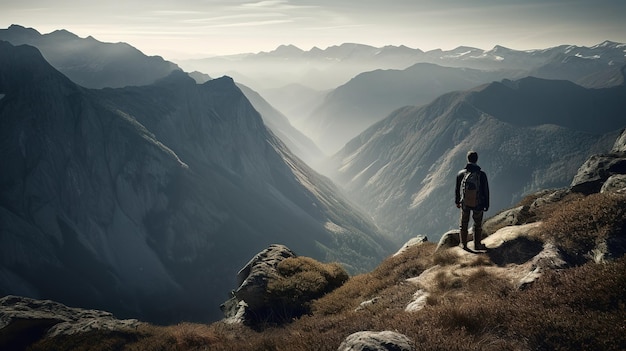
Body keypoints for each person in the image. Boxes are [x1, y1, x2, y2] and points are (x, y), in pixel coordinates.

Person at [455, 151, 489, 250]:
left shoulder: (461, 173)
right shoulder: (481, 174)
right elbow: (485, 190)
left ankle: (463, 244)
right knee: (477, 224)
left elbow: (457, 189)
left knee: (463, 223)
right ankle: (477, 245)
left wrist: (457, 201)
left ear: (468, 159)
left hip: (465, 203)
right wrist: (486, 204)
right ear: (476, 159)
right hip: (478, 203)